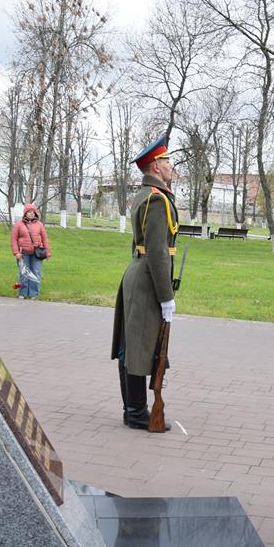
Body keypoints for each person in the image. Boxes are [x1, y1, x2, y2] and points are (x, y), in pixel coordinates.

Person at [111, 135, 178, 431]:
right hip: (148, 279)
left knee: (132, 345)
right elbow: (157, 251)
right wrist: (166, 296)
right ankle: (137, 412)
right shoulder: (156, 199)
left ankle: (133, 409)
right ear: (155, 166)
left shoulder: (147, 194)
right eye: (167, 161)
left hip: (139, 273)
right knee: (138, 347)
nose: (170, 165)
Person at [11, 203, 51, 299]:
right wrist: (16, 252)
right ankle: (22, 293)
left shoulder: (39, 225)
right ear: (25, 213)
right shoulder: (18, 225)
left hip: (36, 254)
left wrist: (48, 253)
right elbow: (13, 239)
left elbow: (45, 239)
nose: (31, 214)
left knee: (36, 272)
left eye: (33, 212)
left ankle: (34, 294)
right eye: (29, 212)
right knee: (23, 273)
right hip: (23, 253)